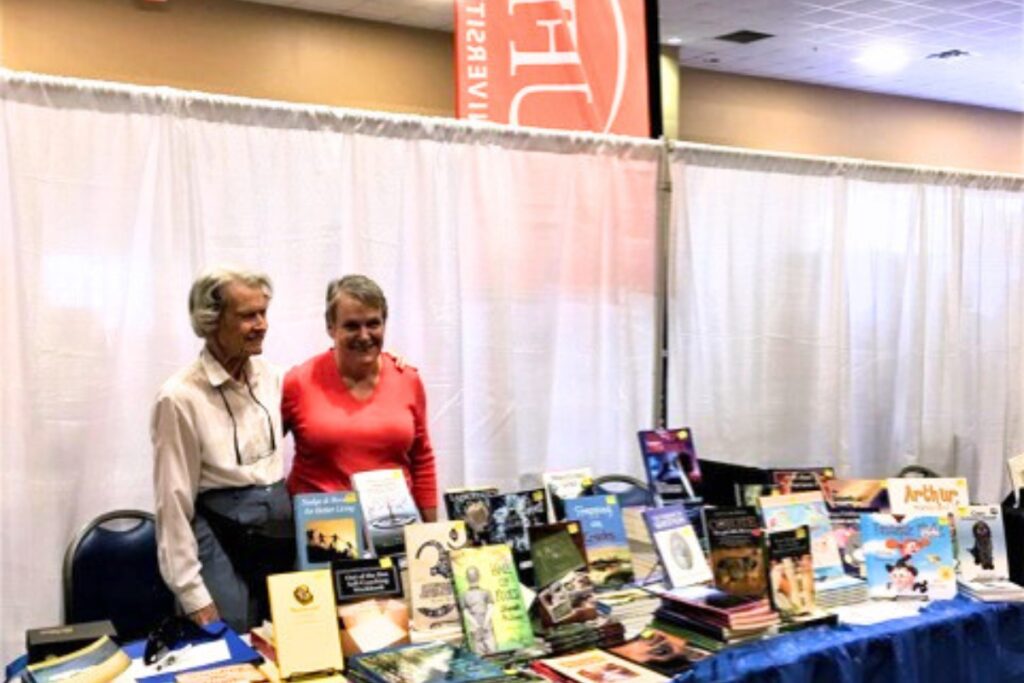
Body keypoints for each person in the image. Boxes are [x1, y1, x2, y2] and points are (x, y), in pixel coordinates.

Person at [151, 266, 294, 631]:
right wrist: (193, 595)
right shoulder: (180, 397)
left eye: (263, 313)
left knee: (291, 645)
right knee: (232, 648)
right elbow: (173, 501)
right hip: (218, 540)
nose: (261, 324)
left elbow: (332, 378)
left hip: (275, 537)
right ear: (211, 321)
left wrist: (385, 364)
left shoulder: (273, 378)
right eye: (248, 315)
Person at [283, 274, 437, 521]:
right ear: (330, 327)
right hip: (322, 535)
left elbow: (422, 459)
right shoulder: (298, 382)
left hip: (393, 530)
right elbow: (262, 453)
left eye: (373, 324)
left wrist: (432, 532)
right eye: (352, 326)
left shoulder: (407, 379)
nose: (364, 336)